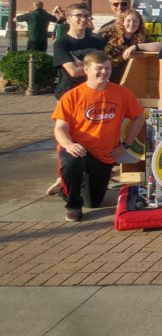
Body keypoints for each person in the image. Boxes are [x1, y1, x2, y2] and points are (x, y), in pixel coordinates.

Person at [52, 51, 144, 222]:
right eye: (99, 68)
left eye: (107, 68)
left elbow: (139, 117)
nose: (104, 72)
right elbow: (60, 128)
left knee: (93, 202)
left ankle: (68, 186)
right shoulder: (72, 96)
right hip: (78, 147)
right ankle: (72, 204)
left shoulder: (121, 93)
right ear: (86, 69)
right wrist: (68, 144)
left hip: (105, 153)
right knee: (72, 163)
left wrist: (125, 145)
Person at [52, 3, 107, 101]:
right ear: (68, 19)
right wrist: (96, 68)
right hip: (68, 94)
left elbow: (105, 68)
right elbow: (73, 71)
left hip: (93, 92)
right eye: (78, 16)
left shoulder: (97, 42)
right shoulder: (61, 43)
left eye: (86, 16)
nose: (83, 19)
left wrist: (82, 65)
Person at [100, 10, 162, 83]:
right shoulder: (107, 35)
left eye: (135, 21)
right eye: (128, 20)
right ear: (122, 21)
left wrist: (136, 47)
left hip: (128, 80)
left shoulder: (141, 39)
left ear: (139, 23)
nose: (131, 24)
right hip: (106, 78)